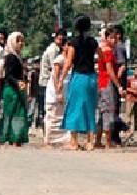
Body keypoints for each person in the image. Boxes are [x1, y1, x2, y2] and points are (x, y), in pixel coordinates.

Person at [61, 15, 98, 150]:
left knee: (74, 107)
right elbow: (102, 56)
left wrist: (61, 80)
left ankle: (74, 141)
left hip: (79, 77)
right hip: (91, 77)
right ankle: (90, 141)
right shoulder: (93, 42)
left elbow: (69, 62)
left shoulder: (74, 43)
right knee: (90, 108)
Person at [0, 31, 29, 146]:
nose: (21, 43)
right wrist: (17, 82)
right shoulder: (10, 57)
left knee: (18, 114)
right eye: (18, 41)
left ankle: (16, 139)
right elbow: (8, 75)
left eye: (22, 41)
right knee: (13, 114)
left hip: (17, 89)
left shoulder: (17, 57)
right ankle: (12, 139)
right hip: (11, 90)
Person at [95, 26, 123, 149]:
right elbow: (110, 70)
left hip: (100, 82)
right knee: (108, 111)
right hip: (107, 82)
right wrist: (118, 85)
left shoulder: (101, 50)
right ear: (106, 38)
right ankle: (107, 141)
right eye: (111, 37)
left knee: (101, 112)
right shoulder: (107, 52)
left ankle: (98, 140)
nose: (114, 40)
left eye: (115, 37)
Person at [43, 30, 69, 147]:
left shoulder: (68, 60)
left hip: (63, 92)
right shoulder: (59, 59)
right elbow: (55, 76)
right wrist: (58, 92)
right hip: (55, 92)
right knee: (52, 117)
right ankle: (48, 140)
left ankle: (59, 140)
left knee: (60, 117)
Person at [36, 29, 64, 128]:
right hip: (46, 82)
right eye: (59, 39)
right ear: (55, 38)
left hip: (48, 81)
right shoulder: (53, 50)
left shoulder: (56, 49)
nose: (61, 41)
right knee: (47, 107)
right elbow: (54, 67)